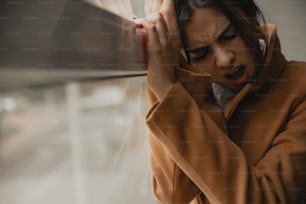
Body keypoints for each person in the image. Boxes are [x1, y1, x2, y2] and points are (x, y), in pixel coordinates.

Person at [136, 0, 306, 203]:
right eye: (201, 54)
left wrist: (166, 87)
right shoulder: (195, 95)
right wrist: (170, 82)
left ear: (250, 18)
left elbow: (263, 198)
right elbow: (173, 194)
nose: (224, 59)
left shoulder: (299, 87)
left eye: (229, 36)